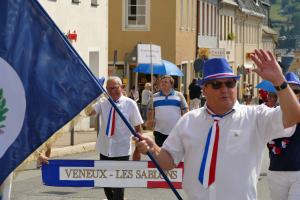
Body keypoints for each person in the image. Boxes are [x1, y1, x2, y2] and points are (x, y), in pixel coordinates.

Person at [135, 50, 300, 200]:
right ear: (204, 89)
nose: (224, 89)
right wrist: (152, 149)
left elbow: (293, 116)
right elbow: (168, 162)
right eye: (217, 84)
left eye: (230, 83)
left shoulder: (255, 116)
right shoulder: (188, 121)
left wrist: (279, 81)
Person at [86, 76, 143, 200]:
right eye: (109, 88)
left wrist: (137, 150)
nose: (112, 91)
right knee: (105, 183)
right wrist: (92, 96)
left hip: (122, 150)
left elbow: (138, 129)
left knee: (118, 184)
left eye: (115, 88)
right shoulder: (103, 103)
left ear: (122, 87)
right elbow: (89, 112)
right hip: (105, 148)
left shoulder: (130, 104)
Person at [267, 72, 300, 200]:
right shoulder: (267, 114)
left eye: (295, 91)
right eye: (286, 90)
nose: (290, 94)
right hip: (276, 171)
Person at [147, 75, 188, 147]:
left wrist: (186, 124)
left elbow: (185, 110)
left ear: (171, 84)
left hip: (175, 131)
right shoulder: (154, 97)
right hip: (159, 131)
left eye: (165, 82)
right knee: (160, 153)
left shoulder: (179, 95)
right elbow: (150, 110)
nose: (163, 83)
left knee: (174, 154)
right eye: (162, 82)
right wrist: (150, 120)